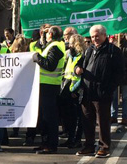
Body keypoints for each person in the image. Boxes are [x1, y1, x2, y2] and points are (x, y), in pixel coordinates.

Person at [76, 24, 124, 157]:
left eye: (97, 36)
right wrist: (77, 69)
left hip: (102, 92)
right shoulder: (88, 50)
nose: (94, 39)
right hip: (87, 91)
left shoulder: (113, 51)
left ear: (104, 35)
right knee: (87, 120)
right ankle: (89, 146)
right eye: (92, 37)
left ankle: (104, 146)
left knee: (103, 121)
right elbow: (79, 63)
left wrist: (110, 88)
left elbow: (119, 73)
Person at [31, 25, 66, 154]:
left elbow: (50, 66)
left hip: (50, 86)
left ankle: (51, 145)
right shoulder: (52, 46)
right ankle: (45, 143)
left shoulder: (56, 46)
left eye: (46, 33)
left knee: (49, 117)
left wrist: (37, 58)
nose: (45, 35)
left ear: (50, 34)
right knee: (43, 117)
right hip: (44, 85)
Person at [60, 32, 86, 148]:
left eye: (71, 43)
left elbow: (82, 76)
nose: (68, 45)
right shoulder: (69, 55)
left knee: (78, 117)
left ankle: (77, 139)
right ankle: (70, 138)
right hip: (67, 88)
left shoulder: (82, 56)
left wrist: (77, 91)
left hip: (77, 90)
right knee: (69, 117)